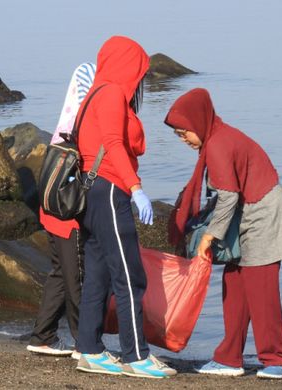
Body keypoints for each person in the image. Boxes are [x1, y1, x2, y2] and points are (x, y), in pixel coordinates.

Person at [165, 88, 282, 379]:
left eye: (184, 132)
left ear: (199, 122)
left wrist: (209, 237)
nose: (184, 139)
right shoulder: (216, 138)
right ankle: (229, 358)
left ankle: (278, 359)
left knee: (262, 291)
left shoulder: (218, 144)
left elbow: (228, 197)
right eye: (178, 135)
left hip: (264, 217)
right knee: (235, 286)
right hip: (245, 218)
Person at [74, 36, 176, 379]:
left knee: (98, 274)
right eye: (139, 70)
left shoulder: (93, 93)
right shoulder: (113, 94)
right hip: (109, 190)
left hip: (89, 191)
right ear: (127, 66)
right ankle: (136, 356)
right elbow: (114, 145)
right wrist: (135, 188)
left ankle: (89, 348)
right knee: (130, 276)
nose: (141, 79)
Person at [26, 62, 96, 359]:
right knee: (77, 276)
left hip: (50, 210)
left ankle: (44, 335)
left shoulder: (63, 127)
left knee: (59, 273)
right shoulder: (86, 126)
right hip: (69, 215)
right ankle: (85, 344)